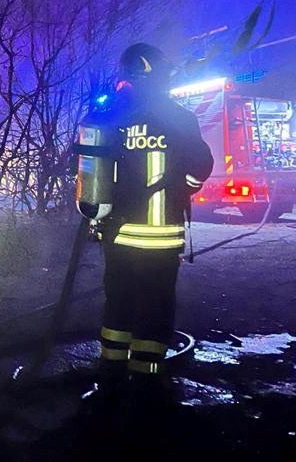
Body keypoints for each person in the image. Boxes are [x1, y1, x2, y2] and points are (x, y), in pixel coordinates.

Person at [76, 43, 214, 385]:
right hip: (162, 236)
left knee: (118, 299)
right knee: (156, 301)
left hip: (116, 232)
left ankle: (111, 370)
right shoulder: (179, 117)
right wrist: (183, 186)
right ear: (160, 75)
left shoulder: (107, 116)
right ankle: (147, 375)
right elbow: (201, 166)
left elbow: (85, 168)